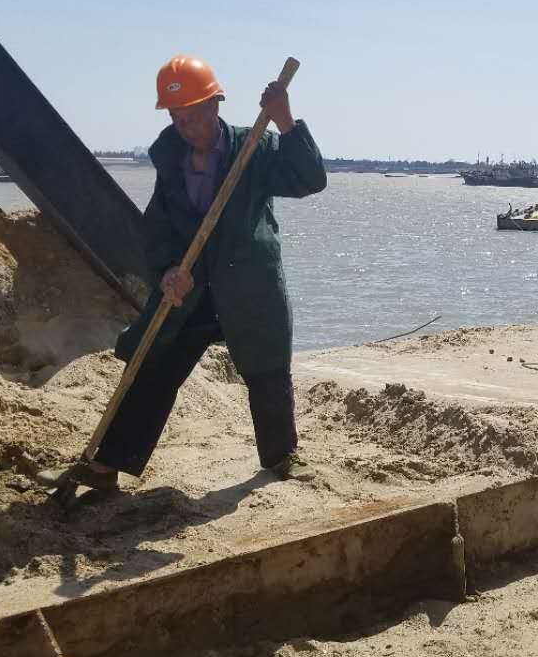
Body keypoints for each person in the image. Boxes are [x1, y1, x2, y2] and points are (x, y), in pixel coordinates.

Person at [41, 55, 327, 493]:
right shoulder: (171, 159)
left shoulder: (254, 147)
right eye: (177, 117)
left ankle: (282, 455)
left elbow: (309, 179)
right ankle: (107, 464)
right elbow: (158, 228)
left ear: (215, 104)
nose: (185, 126)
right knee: (154, 359)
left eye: (193, 114)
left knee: (267, 364)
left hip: (247, 281)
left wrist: (285, 121)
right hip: (192, 287)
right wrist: (169, 269)